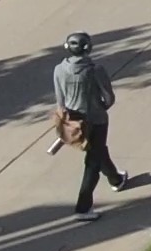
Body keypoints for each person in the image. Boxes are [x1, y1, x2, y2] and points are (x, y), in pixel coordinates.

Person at [51, 30, 134, 218]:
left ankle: (116, 179)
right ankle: (83, 207)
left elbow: (60, 100)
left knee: (97, 151)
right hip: (96, 120)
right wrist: (102, 106)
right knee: (92, 162)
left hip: (73, 121)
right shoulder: (96, 69)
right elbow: (109, 97)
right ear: (88, 48)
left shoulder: (58, 69)